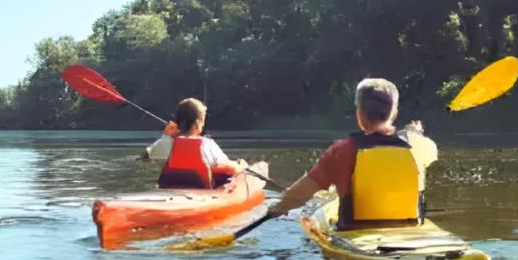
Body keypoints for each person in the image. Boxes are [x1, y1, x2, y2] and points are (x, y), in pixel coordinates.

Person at [268, 78, 437, 226]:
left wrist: (278, 208)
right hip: (408, 230)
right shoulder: (419, 147)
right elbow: (427, 149)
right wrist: (415, 133)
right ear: (394, 112)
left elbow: (302, 193)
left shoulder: (342, 151)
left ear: (359, 114)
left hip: (356, 231)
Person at [157, 98, 247, 189]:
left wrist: (166, 136)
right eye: (203, 120)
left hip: (171, 189)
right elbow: (227, 168)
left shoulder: (169, 143)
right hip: (201, 192)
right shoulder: (207, 143)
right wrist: (240, 167)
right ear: (197, 123)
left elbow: (152, 154)